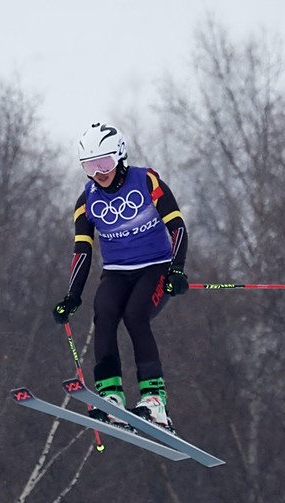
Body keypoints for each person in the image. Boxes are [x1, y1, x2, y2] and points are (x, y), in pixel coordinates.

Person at [52, 122, 189, 430]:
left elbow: (177, 227)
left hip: (155, 267)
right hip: (116, 272)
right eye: (90, 166)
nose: (99, 173)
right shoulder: (87, 201)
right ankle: (110, 395)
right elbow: (83, 252)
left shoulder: (147, 181)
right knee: (104, 313)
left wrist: (177, 268)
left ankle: (154, 400)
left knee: (135, 315)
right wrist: (72, 295)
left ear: (120, 156)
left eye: (104, 163)